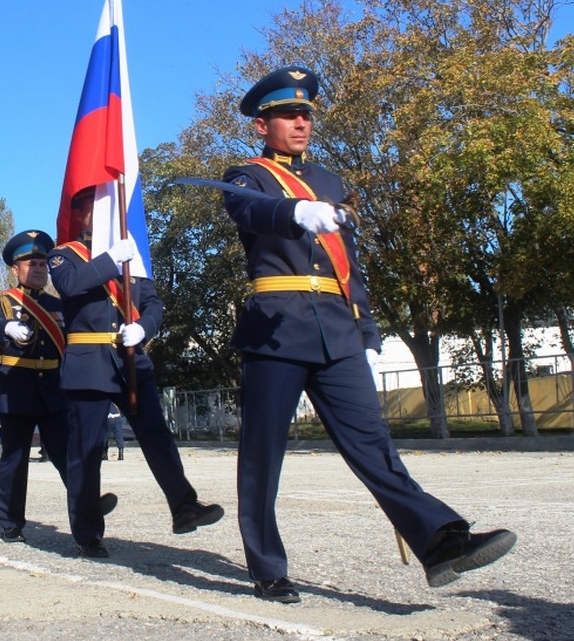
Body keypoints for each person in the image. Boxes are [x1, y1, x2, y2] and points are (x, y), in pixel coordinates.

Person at [220, 66, 517, 603]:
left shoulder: (330, 181)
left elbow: (349, 264)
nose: (301, 122)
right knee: (263, 455)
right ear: (262, 125)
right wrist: (296, 211)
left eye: (306, 113)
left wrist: (369, 328)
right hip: (277, 329)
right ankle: (267, 567)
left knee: (375, 446)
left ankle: (440, 541)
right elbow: (247, 210)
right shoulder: (248, 176)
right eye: (289, 114)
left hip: (337, 328)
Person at [49, 194, 223, 558]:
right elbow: (70, 284)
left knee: (157, 435)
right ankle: (88, 530)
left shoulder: (131, 254)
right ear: (79, 214)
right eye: (95, 209)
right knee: (87, 449)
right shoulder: (63, 254)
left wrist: (144, 327)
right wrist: (112, 260)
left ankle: (183, 506)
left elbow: (153, 302)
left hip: (130, 359)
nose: (103, 216)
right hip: (89, 361)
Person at [0, 229, 118, 543]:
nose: (39, 268)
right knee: (15, 459)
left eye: (43, 263)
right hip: (18, 385)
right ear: (15, 269)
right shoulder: (3, 301)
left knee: (67, 453)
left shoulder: (58, 303)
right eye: (31, 263)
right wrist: (7, 326)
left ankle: (86, 503)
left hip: (55, 387)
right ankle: (11, 521)